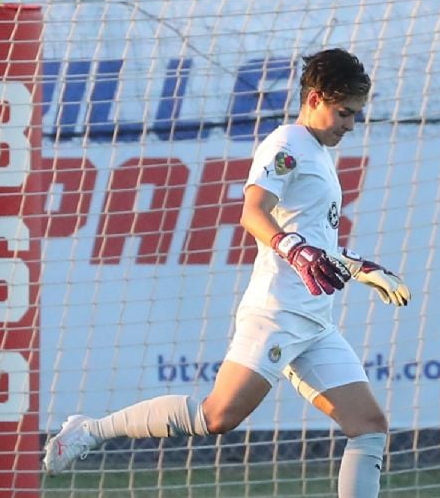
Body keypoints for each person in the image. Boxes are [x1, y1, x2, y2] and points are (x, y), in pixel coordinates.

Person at [43, 48, 411, 498]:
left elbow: (317, 239)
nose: (350, 125)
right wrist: (295, 253)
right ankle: (91, 430)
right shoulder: (285, 145)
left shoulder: (317, 152)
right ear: (314, 98)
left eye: (355, 115)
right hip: (277, 313)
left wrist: (357, 267)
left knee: (370, 427)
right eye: (344, 113)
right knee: (217, 417)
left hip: (315, 324)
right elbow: (253, 213)